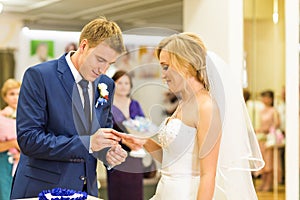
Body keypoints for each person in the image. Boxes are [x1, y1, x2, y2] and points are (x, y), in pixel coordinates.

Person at [11, 17, 136, 198]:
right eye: (100, 59)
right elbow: (29, 140)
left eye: (110, 63)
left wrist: (108, 153)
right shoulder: (39, 76)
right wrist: (88, 143)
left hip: (87, 190)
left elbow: (101, 136)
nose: (103, 69)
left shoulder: (107, 84)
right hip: (43, 189)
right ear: (83, 46)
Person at [138, 33, 264, 199]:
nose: (163, 74)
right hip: (166, 191)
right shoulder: (184, 102)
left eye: (166, 66)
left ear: (185, 64)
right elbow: (172, 161)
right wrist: (142, 141)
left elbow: (208, 174)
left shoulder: (206, 107)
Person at [106, 70, 145, 200]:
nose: (123, 86)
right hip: (116, 156)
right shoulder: (107, 106)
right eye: (120, 83)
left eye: (126, 83)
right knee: (118, 192)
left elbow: (144, 127)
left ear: (130, 86)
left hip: (135, 157)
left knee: (135, 192)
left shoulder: (135, 104)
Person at [256, 90, 282, 192]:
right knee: (263, 163)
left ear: (271, 99)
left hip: (269, 139)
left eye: (266, 97)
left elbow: (277, 124)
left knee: (269, 163)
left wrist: (267, 129)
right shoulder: (261, 111)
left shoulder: (273, 111)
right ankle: (263, 182)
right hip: (261, 139)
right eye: (263, 97)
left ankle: (269, 183)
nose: (264, 99)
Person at [0, 78, 21, 200]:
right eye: (12, 94)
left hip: (24, 163)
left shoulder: (31, 116)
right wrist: (13, 143)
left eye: (18, 93)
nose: (15, 97)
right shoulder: (1, 118)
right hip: (5, 162)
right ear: (5, 97)